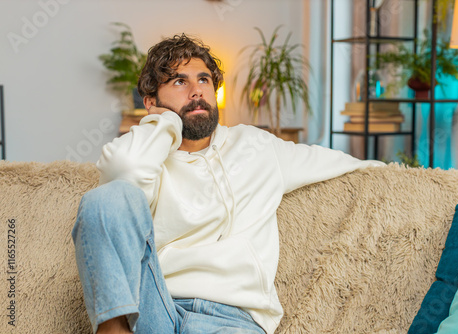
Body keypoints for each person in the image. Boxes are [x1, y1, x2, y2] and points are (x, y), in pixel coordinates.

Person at [72, 33, 384, 334]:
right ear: (151, 101)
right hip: (156, 307)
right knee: (105, 199)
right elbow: (122, 174)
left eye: (203, 80)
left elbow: (348, 164)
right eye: (180, 82)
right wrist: (165, 122)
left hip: (232, 319)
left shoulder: (258, 147)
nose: (196, 91)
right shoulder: (147, 154)